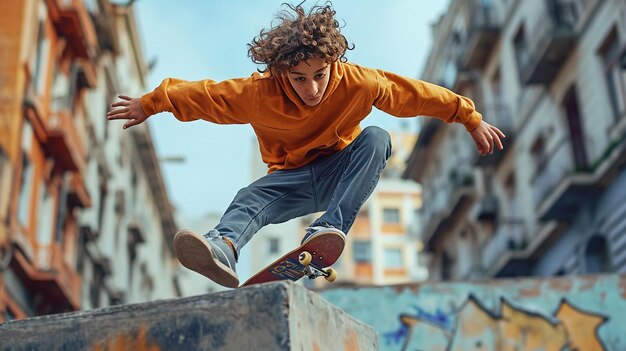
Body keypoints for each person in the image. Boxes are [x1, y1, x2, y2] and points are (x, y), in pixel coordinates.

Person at [107, 2, 505, 288]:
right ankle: (223, 247)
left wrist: (469, 117)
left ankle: (328, 227)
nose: (312, 88)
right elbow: (207, 95)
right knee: (250, 197)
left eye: (319, 74)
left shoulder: (360, 83)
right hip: (289, 180)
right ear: (281, 72)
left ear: (334, 61)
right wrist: (150, 103)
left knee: (377, 138)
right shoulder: (257, 92)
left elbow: (413, 94)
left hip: (341, 172)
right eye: (298, 78)